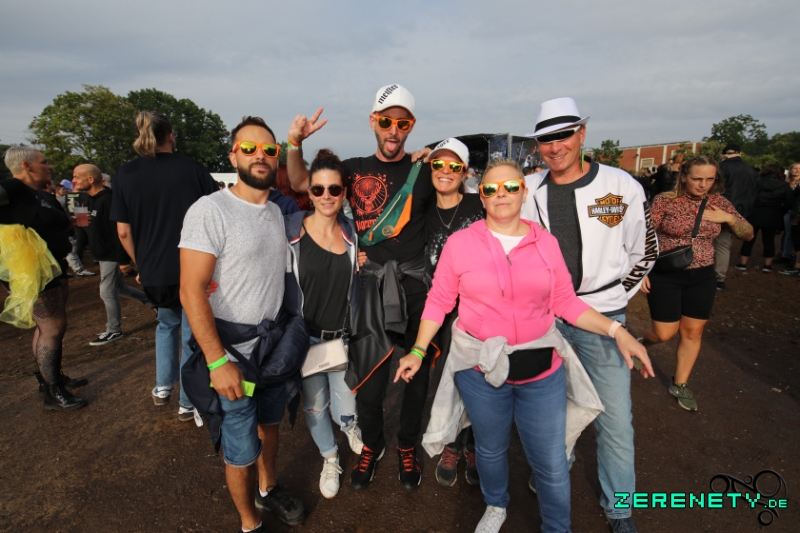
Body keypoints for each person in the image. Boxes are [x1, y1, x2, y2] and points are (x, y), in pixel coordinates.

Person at [395, 158, 652, 533]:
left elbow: (566, 302)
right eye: (491, 189)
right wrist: (418, 350)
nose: (501, 194)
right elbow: (439, 300)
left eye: (511, 187)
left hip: (541, 371)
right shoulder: (460, 244)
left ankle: (557, 527)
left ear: (523, 192)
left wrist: (616, 330)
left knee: (550, 460)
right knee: (490, 448)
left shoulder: (545, 242)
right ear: (481, 196)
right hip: (481, 369)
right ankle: (495, 504)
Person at [285, 85, 437, 492]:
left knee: (417, 380)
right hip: (371, 291)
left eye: (402, 123)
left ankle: (407, 444)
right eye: (386, 121)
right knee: (369, 383)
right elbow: (300, 182)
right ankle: (373, 443)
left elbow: (456, 196)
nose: (393, 130)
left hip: (415, 290)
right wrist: (295, 143)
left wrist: (438, 156)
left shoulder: (423, 171)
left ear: (411, 126)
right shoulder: (351, 170)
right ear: (373, 121)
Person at [520, 97, 659, 533]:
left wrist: (614, 294)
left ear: (582, 133)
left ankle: (620, 508)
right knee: (550, 410)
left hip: (603, 317)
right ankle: (553, 468)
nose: (556, 146)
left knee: (615, 418)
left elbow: (644, 251)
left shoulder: (621, 185)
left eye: (564, 134)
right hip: (548, 319)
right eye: (546, 139)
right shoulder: (527, 189)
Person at [180, 116, 307, 532]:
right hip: (231, 354)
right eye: (248, 148)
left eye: (269, 150)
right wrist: (217, 362)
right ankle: (250, 523)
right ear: (233, 155)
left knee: (269, 423)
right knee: (240, 443)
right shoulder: (210, 210)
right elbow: (191, 290)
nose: (259, 156)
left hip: (271, 351)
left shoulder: (276, 213)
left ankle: (268, 489)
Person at [110, 110, 218, 421]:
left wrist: (140, 263)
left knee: (166, 325)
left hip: (154, 270)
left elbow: (123, 231)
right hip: (193, 265)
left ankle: (162, 386)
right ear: (170, 136)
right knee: (192, 333)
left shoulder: (125, 173)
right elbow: (217, 211)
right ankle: (187, 401)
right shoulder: (191, 168)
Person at [639, 156, 753, 411]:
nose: (703, 184)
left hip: (703, 275)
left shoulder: (719, 203)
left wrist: (729, 218)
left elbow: (748, 233)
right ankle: (641, 343)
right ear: (684, 177)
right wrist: (642, 269)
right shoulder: (665, 200)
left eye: (709, 179)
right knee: (664, 333)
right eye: (697, 179)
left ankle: (680, 383)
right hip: (666, 274)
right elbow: (643, 234)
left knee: (693, 332)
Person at [283, 149, 365, 499]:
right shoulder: (290, 231)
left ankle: (350, 427)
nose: (326, 196)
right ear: (310, 192)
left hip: (341, 340)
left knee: (346, 406)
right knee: (316, 407)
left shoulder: (352, 234)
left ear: (344, 193)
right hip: (308, 342)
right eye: (318, 189)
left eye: (334, 189)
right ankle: (330, 458)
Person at [0, 147, 87, 410]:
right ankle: (53, 392)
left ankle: (50, 377)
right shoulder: (12, 188)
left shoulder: (38, 194)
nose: (49, 167)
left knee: (47, 328)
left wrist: (70, 221)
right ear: (26, 166)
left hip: (54, 266)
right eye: (44, 162)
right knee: (52, 327)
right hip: (33, 270)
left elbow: (51, 222)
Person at [421, 138, 484, 488]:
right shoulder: (421, 209)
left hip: (480, 310)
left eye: (454, 166)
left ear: (465, 172)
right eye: (438, 164)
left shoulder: (480, 204)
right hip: (442, 312)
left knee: (480, 379)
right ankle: (451, 444)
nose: (445, 171)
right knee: (448, 381)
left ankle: (473, 445)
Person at [72, 164, 150, 346]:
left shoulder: (109, 199)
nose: (73, 181)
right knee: (119, 288)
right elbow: (82, 226)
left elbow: (119, 231)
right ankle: (155, 304)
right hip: (99, 252)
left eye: (77, 177)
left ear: (91, 179)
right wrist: (80, 249)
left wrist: (123, 259)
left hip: (111, 253)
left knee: (106, 291)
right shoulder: (82, 199)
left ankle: (114, 330)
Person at [714, 144, 759, 289]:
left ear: (724, 154)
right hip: (743, 211)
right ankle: (719, 279)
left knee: (713, 243)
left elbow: (714, 188)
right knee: (724, 245)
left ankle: (710, 276)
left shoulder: (722, 167)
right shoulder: (751, 170)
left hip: (719, 210)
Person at [735, 164, 794, 273]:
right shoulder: (784, 185)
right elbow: (789, 202)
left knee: (749, 239)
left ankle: (742, 264)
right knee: (769, 241)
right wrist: (781, 211)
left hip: (754, 214)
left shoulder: (755, 182)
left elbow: (746, 197)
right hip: (773, 215)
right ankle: (767, 266)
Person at [777, 163, 800, 264]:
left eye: (799, 168)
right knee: (788, 233)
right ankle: (786, 254)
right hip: (787, 211)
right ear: (790, 170)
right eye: (795, 168)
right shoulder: (785, 182)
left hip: (797, 213)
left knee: (795, 234)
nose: (797, 170)